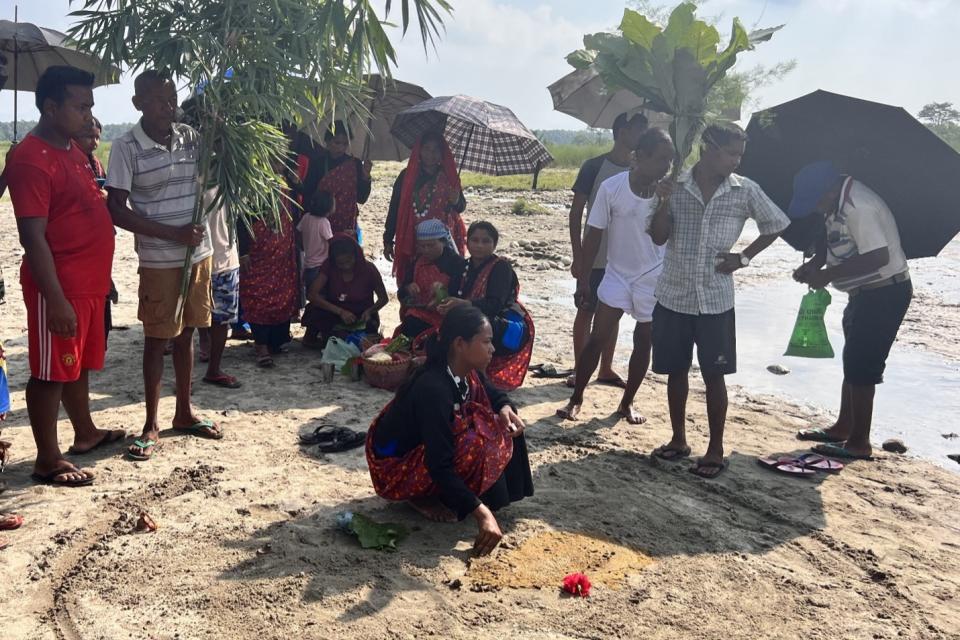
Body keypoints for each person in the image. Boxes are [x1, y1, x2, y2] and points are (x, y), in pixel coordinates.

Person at [647, 123, 790, 478]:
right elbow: (659, 236)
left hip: (715, 300)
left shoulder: (745, 191)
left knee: (715, 375)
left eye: (740, 155)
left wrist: (743, 258)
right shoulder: (675, 185)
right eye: (731, 153)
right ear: (708, 148)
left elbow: (776, 224)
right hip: (674, 295)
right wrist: (663, 201)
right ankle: (679, 439)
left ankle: (715, 449)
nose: (736, 162)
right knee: (676, 371)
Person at [6, 66, 124, 485]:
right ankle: (47, 458)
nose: (88, 115)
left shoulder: (75, 151)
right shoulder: (31, 160)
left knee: (76, 366)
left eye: (90, 106)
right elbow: (33, 237)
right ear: (51, 108)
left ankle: (85, 432)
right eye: (81, 106)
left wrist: (104, 276)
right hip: (57, 286)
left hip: (88, 283)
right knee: (49, 372)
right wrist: (54, 299)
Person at [106, 70, 222, 461]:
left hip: (197, 255)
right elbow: (116, 209)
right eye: (157, 99)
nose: (167, 106)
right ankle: (151, 423)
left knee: (188, 332)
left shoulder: (190, 136)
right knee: (157, 338)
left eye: (171, 98)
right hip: (159, 261)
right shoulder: (125, 147)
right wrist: (171, 235)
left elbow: (217, 169)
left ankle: (184, 411)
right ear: (138, 103)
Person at [366, 305, 533, 556]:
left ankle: (473, 495)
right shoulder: (434, 387)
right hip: (394, 463)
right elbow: (439, 462)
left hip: (427, 449)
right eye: (486, 341)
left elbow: (494, 394)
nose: (493, 349)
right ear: (460, 344)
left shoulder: (465, 370)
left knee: (502, 421)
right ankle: (421, 496)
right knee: (472, 442)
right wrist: (482, 515)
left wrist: (505, 408)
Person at [790, 161, 912, 461]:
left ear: (830, 191)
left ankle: (859, 442)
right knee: (853, 360)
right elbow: (832, 241)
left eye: (817, 202)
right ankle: (843, 427)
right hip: (863, 293)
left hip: (884, 292)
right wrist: (816, 264)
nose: (816, 209)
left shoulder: (860, 206)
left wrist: (828, 276)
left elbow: (877, 257)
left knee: (863, 366)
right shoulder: (837, 204)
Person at [558, 128, 674, 424]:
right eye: (661, 159)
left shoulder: (669, 194)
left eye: (670, 160)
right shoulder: (612, 188)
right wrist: (584, 279)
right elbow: (594, 233)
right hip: (617, 273)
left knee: (643, 341)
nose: (667, 167)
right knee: (598, 337)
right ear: (641, 156)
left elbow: (662, 238)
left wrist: (664, 203)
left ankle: (626, 403)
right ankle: (576, 398)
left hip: (652, 276)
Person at [567, 112, 649, 390]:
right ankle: (580, 368)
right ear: (622, 131)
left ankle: (605, 368)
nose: (642, 135)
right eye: (639, 129)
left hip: (624, 258)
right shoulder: (594, 166)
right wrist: (578, 256)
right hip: (596, 253)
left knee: (612, 312)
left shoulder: (643, 173)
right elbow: (576, 212)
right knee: (587, 309)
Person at [439, 221, 535, 391]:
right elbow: (455, 293)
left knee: (477, 328)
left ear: (494, 244)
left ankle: (479, 375)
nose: (479, 246)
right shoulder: (464, 266)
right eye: (474, 240)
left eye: (485, 241)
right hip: (472, 316)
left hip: (503, 323)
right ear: (467, 243)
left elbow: (495, 304)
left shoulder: (501, 268)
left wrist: (465, 304)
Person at [384, 131, 467, 280]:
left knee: (446, 277)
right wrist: (388, 239)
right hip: (413, 237)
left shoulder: (449, 175)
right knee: (413, 277)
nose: (431, 154)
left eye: (436, 150)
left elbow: (461, 207)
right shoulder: (407, 176)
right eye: (427, 149)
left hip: (443, 240)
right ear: (419, 151)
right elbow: (395, 208)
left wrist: (456, 201)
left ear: (442, 153)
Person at [237, 193, 301, 368]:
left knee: (283, 295)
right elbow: (242, 219)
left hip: (283, 255)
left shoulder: (285, 186)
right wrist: (243, 252)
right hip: (258, 253)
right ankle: (261, 345)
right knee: (258, 296)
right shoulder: (253, 189)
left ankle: (276, 342)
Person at [76, 116, 119, 347]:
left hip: (101, 238)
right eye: (89, 137)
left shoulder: (94, 163)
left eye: (97, 137)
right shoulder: (71, 163)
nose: (94, 142)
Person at [301, 234, 388, 348]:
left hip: (361, 315)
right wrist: (340, 312)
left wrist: (370, 311)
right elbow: (312, 295)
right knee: (315, 312)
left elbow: (383, 298)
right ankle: (315, 339)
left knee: (364, 335)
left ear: (355, 256)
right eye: (341, 264)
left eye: (349, 261)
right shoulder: (329, 266)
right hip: (335, 312)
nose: (346, 266)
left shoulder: (369, 269)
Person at [196, 192, 242, 389]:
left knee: (222, 320)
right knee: (188, 320)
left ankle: (214, 369)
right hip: (196, 260)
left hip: (225, 259)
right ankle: (184, 376)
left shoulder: (230, 177)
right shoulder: (191, 174)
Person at [301, 121, 373, 239]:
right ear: (328, 141)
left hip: (347, 226)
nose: (341, 147)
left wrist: (366, 176)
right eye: (337, 142)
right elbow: (308, 194)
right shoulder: (318, 163)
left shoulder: (355, 164)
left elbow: (361, 198)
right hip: (322, 224)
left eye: (345, 144)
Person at [397, 219, 466, 340]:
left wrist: (441, 295)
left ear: (443, 242)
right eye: (422, 246)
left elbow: (460, 296)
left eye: (431, 245)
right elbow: (401, 293)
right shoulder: (417, 262)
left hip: (443, 321)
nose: (426, 250)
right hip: (417, 316)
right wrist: (408, 288)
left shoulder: (457, 264)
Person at [298, 190, 335, 294]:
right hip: (320, 267)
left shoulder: (306, 217)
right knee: (322, 295)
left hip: (308, 265)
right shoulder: (323, 222)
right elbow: (331, 241)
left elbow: (298, 233)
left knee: (312, 294)